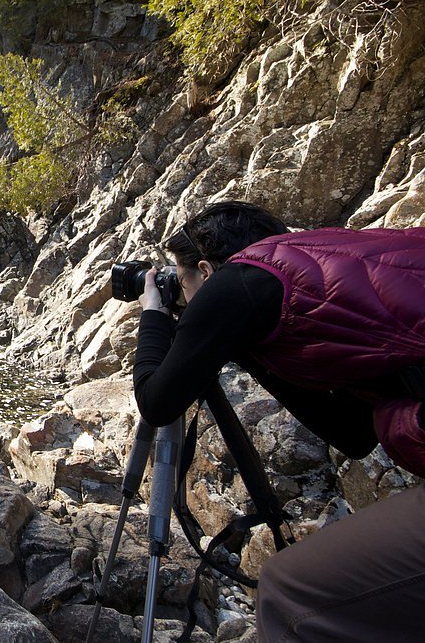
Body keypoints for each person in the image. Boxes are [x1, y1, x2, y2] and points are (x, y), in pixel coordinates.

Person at [131, 200, 425, 642]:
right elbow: (352, 432)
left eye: (183, 279)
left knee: (290, 591)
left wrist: (154, 313)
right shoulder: (314, 261)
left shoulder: (235, 283)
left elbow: (156, 402)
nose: (183, 294)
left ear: (208, 271)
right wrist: (240, 340)